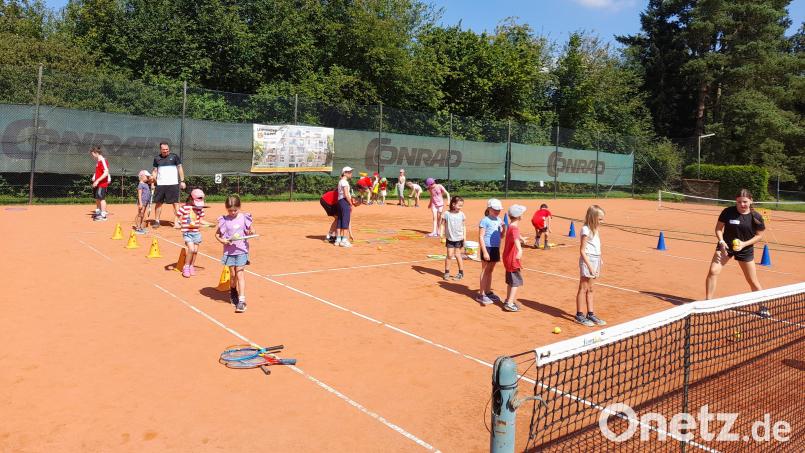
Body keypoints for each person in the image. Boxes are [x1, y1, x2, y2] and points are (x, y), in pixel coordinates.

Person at [705, 189, 765, 303]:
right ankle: (708, 302)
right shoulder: (728, 212)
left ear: (751, 201)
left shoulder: (756, 217)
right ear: (736, 201)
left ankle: (763, 306)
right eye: (739, 202)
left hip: (745, 249)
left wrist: (744, 244)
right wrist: (721, 242)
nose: (742, 204)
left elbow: (759, 236)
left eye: (745, 202)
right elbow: (718, 229)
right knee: (713, 271)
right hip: (725, 246)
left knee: (752, 280)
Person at [215, 195, 254, 313]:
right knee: (233, 275)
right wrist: (223, 240)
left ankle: (241, 301)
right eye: (230, 210)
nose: (232, 212)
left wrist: (251, 231)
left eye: (235, 210)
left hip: (242, 250)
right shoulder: (224, 220)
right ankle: (233, 291)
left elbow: (251, 230)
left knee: (240, 273)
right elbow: (217, 235)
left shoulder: (244, 218)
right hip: (229, 251)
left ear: (239, 207)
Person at [576, 205, 606, 327]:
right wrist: (589, 266)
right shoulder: (585, 230)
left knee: (591, 289)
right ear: (593, 218)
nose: (602, 221)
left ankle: (591, 314)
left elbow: (596, 246)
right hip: (587, 260)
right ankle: (579, 315)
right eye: (600, 219)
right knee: (583, 288)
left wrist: (600, 259)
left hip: (596, 260)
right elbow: (582, 250)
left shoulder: (595, 229)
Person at [177, 188, 213, 277]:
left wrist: (210, 224)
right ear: (191, 199)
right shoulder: (185, 208)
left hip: (196, 233)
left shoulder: (200, 209)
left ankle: (191, 266)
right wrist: (177, 222)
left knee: (195, 251)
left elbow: (201, 221)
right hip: (187, 232)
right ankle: (186, 266)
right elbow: (177, 215)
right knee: (191, 249)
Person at [151, 142, 186, 229]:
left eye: (167, 149)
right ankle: (157, 221)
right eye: (164, 150)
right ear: (160, 149)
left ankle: (177, 222)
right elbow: (155, 171)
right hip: (160, 184)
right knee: (159, 203)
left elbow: (180, 168)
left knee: (175, 203)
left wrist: (182, 181)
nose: (166, 151)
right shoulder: (157, 158)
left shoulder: (174, 157)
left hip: (173, 184)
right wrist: (152, 182)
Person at [477, 198, 505, 305]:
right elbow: (481, 236)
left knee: (490, 270)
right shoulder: (485, 220)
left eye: (499, 210)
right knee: (485, 270)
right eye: (495, 209)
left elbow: (501, 236)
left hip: (495, 248)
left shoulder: (499, 220)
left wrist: (504, 229)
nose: (497, 211)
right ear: (489, 208)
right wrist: (484, 252)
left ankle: (488, 292)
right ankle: (481, 294)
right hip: (487, 248)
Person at [502, 204, 527, 312]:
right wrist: (520, 249)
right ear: (519, 216)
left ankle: (508, 300)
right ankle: (510, 303)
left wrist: (521, 238)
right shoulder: (514, 228)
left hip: (507, 258)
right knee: (515, 282)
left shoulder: (511, 226)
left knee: (511, 281)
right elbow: (516, 239)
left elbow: (515, 236)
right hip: (512, 259)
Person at [439, 196, 466, 281]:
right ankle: (447, 272)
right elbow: (443, 224)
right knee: (449, 255)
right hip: (450, 238)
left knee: (458, 255)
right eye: (459, 205)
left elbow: (464, 226)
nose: (460, 207)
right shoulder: (446, 214)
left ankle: (460, 273)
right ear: (453, 204)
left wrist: (464, 238)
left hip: (459, 238)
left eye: (462, 206)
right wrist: (441, 233)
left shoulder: (461, 214)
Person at [335, 167, 359, 247]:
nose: (350, 173)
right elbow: (345, 194)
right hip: (344, 202)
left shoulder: (341, 181)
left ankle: (338, 239)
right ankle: (344, 240)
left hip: (340, 202)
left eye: (351, 172)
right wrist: (350, 203)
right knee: (345, 220)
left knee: (340, 220)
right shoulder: (344, 182)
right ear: (344, 173)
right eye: (349, 172)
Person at [90, 146, 110, 221]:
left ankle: (103, 215)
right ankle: (99, 213)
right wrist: (95, 178)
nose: (92, 156)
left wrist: (98, 180)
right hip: (98, 183)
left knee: (101, 198)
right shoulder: (98, 161)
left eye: (93, 154)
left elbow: (106, 172)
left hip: (102, 184)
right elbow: (98, 172)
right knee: (98, 198)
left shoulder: (103, 161)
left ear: (96, 153)